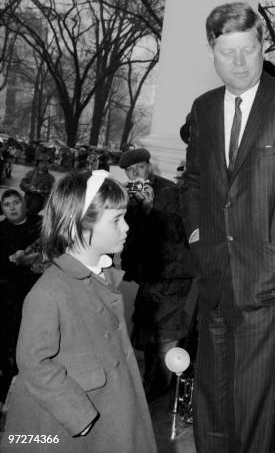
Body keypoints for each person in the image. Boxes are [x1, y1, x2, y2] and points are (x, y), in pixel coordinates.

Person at [180, 2, 275, 453]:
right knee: (211, 405)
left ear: (261, 45)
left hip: (267, 280)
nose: (240, 62)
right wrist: (195, 235)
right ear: (212, 52)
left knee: (253, 408)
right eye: (228, 52)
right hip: (213, 278)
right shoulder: (204, 109)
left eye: (248, 49)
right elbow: (193, 181)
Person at [1, 170, 157, 453]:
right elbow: (33, 362)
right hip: (68, 429)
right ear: (82, 226)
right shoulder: (49, 293)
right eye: (117, 220)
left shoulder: (100, 277)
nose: (126, 228)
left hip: (110, 408)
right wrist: (79, 415)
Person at [118, 147, 193, 400]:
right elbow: (133, 237)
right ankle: (151, 385)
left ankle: (158, 389)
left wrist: (151, 209)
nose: (134, 173)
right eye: (129, 170)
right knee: (148, 334)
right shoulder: (131, 196)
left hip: (173, 276)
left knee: (166, 337)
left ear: (149, 166)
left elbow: (177, 234)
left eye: (138, 167)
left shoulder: (171, 192)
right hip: (151, 277)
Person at [0, 190, 44, 402]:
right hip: (9, 296)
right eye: (7, 204)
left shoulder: (40, 225)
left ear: (24, 204)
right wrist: (13, 261)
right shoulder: (1, 230)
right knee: (8, 341)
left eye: (16, 202)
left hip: (36, 293)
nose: (12, 207)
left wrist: (31, 260)